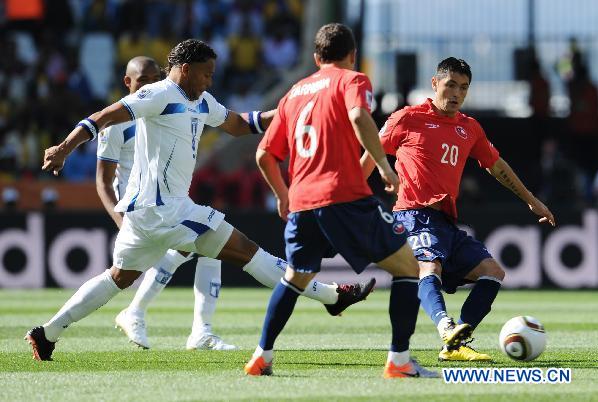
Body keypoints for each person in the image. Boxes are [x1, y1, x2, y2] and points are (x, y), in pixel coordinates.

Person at [25, 39, 375, 361]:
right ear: (187, 69)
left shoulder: (201, 101)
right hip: (164, 209)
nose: (209, 81)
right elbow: (100, 118)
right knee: (246, 251)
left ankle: (48, 333)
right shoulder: (158, 95)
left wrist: (289, 110)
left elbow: (241, 124)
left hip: (147, 215)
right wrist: (63, 148)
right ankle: (331, 296)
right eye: (206, 74)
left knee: (118, 277)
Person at [245, 23, 438, 379]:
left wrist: (283, 196)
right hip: (343, 196)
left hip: (303, 201)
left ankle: (261, 357)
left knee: (296, 277)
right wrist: (384, 165)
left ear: (317, 58)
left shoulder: (295, 92)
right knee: (410, 268)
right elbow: (357, 115)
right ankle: (399, 361)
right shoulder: (352, 80)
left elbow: (263, 155)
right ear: (352, 54)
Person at [361, 57, 556, 362]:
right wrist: (352, 194)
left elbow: (496, 165)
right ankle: (445, 327)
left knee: (492, 272)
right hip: (413, 214)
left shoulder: (469, 128)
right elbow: (372, 150)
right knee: (429, 267)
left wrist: (531, 200)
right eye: (450, 84)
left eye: (463, 88)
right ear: (434, 83)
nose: (456, 93)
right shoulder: (407, 118)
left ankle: (456, 343)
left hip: (446, 221)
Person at [96, 55, 235, 350]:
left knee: (208, 246)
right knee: (195, 247)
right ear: (127, 82)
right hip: (140, 210)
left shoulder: (167, 107)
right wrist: (121, 222)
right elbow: (104, 181)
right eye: (142, 81)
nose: (149, 85)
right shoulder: (115, 124)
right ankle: (151, 317)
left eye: (153, 79)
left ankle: (196, 329)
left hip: (169, 202)